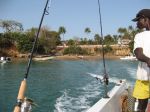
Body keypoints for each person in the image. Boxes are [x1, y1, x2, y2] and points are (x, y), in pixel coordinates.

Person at [132, 9, 150, 112]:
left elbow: (138, 54)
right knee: (141, 107)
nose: (136, 24)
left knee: (141, 108)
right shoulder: (139, 36)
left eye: (138, 20)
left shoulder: (139, 36)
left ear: (145, 19)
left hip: (142, 80)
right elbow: (138, 53)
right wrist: (148, 60)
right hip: (143, 80)